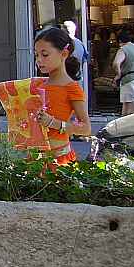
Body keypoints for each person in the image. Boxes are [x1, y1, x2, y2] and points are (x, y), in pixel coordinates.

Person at [34, 27, 92, 164]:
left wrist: (53, 123)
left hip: (59, 159)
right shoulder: (38, 85)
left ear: (64, 54)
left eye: (45, 55)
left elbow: (86, 128)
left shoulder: (71, 87)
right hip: (35, 160)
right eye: (36, 55)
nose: (39, 60)